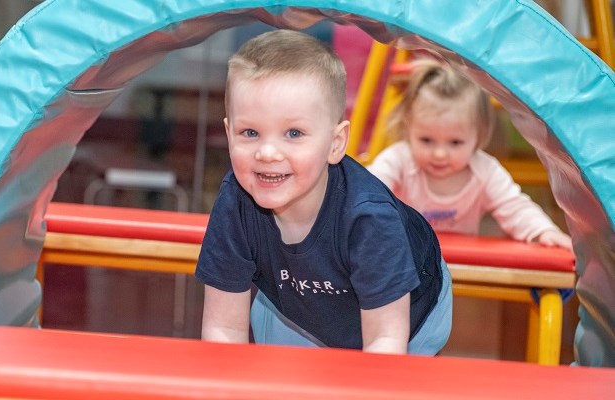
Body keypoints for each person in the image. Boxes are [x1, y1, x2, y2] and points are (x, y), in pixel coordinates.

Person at [195, 29, 452, 355]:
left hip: (410, 316)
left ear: (335, 143)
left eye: (293, 133)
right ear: (229, 133)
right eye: (250, 132)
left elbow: (386, 342)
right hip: (296, 314)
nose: (268, 152)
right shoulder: (237, 201)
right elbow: (222, 329)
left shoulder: (369, 218)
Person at [367, 59, 572, 250]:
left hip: (460, 268)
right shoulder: (398, 161)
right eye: (426, 140)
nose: (439, 154)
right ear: (408, 128)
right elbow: (367, 194)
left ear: (479, 136)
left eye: (455, 142)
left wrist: (544, 230)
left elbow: (515, 207)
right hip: (406, 265)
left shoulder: (485, 171)